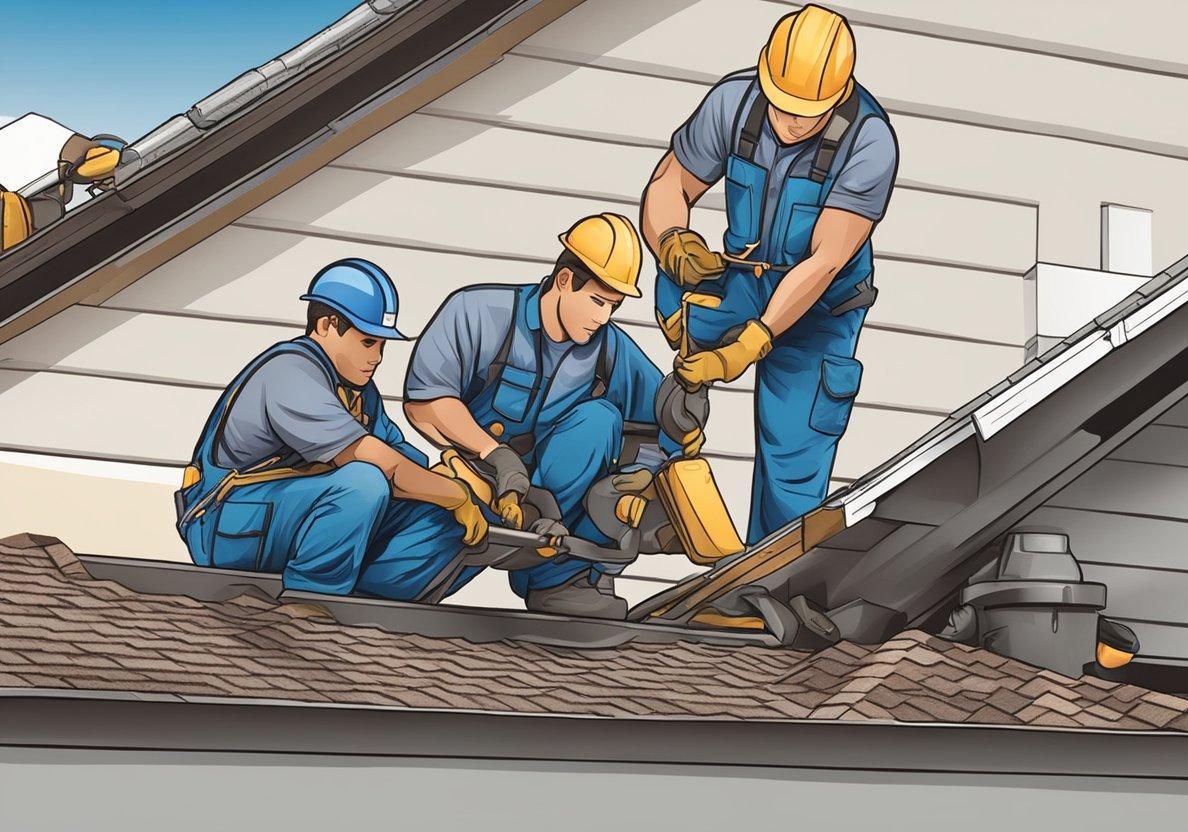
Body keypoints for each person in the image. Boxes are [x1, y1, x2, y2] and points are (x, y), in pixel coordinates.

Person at [640, 3, 898, 543]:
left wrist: (753, 340)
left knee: (794, 452)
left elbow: (825, 259)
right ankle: (646, 490)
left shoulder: (870, 142)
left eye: (808, 111)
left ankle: (770, 581)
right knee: (674, 346)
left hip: (820, 311)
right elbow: (669, 185)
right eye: (782, 105)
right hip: (743, 278)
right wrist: (672, 243)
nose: (792, 121)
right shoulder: (733, 103)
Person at [404, 213, 681, 619]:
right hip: (479, 491)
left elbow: (665, 423)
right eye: (598, 301)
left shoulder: (612, 350)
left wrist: (641, 473)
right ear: (565, 280)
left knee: (600, 420)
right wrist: (492, 454)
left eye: (614, 306)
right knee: (399, 585)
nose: (603, 317)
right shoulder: (480, 312)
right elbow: (425, 402)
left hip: (552, 513)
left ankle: (560, 580)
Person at [175, 258, 489, 601]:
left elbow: (404, 460)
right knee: (366, 483)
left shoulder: (359, 392)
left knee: (442, 511)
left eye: (382, 345)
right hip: (229, 525)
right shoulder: (290, 371)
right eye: (368, 342)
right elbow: (382, 465)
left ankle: (373, 601)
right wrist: (456, 493)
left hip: (288, 518)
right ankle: (311, 601)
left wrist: (456, 479)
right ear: (326, 325)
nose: (378, 357)